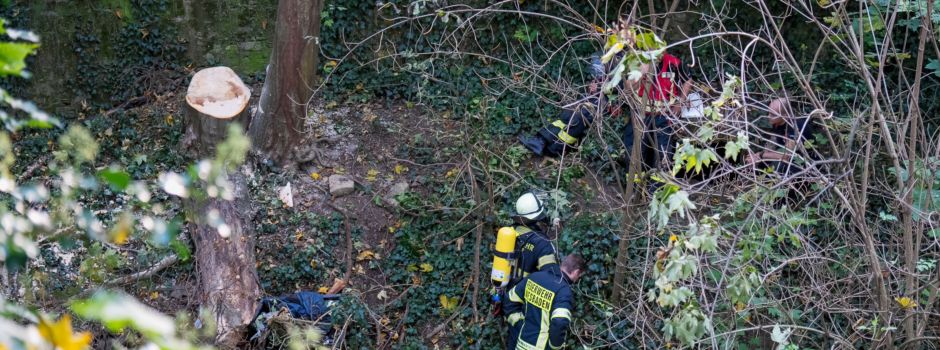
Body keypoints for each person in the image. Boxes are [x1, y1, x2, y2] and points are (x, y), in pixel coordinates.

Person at [518, 55, 607, 157]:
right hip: (594, 101)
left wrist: (601, 91)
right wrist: (593, 90)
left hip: (603, 106)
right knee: (568, 114)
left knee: (580, 117)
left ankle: (552, 147)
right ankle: (540, 141)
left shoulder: (617, 76)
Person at [622, 52, 694, 172]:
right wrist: (641, 73)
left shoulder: (673, 63)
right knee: (634, 152)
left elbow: (688, 80)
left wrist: (680, 103)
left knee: (663, 155)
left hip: (664, 116)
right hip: (640, 115)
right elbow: (627, 89)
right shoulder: (637, 62)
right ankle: (635, 187)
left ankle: (656, 188)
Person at [504, 254, 586, 350]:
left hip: (521, 344)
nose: (577, 279)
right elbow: (559, 322)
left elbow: (509, 300)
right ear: (576, 272)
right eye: (579, 276)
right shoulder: (563, 291)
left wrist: (519, 323)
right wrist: (555, 346)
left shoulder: (535, 277)